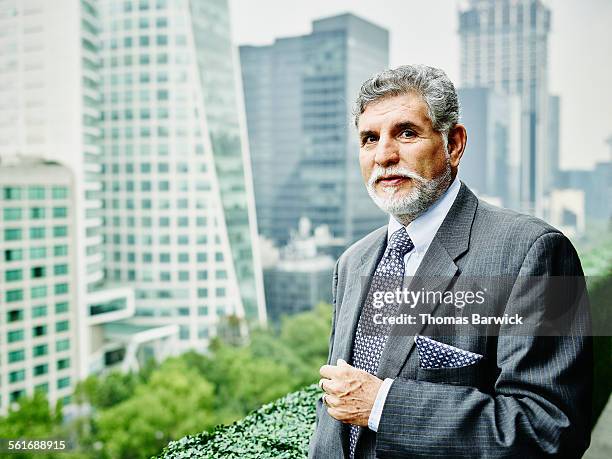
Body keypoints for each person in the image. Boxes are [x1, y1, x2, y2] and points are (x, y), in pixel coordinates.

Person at [308, 65, 592, 458]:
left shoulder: (535, 251)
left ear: (454, 144)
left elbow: (548, 428)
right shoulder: (352, 262)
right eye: (369, 139)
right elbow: (337, 408)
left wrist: (384, 406)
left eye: (406, 133)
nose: (385, 155)